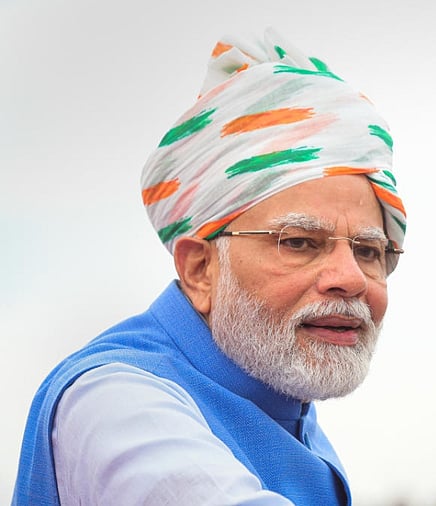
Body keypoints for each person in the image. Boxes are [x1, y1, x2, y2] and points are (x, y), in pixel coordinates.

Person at [13, 27, 405, 505]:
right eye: (300, 242)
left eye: (368, 250)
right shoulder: (120, 401)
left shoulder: (278, 393)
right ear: (200, 269)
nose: (349, 279)